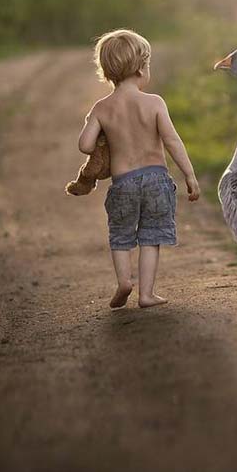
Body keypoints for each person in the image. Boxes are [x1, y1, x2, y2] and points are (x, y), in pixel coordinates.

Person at [78, 29, 200, 309]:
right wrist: (189, 175)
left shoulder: (102, 107)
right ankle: (146, 294)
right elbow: (172, 141)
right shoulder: (154, 102)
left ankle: (124, 282)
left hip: (123, 185)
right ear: (141, 67)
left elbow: (85, 146)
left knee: (120, 235)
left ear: (107, 72)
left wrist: (92, 124)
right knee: (151, 236)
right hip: (156, 180)